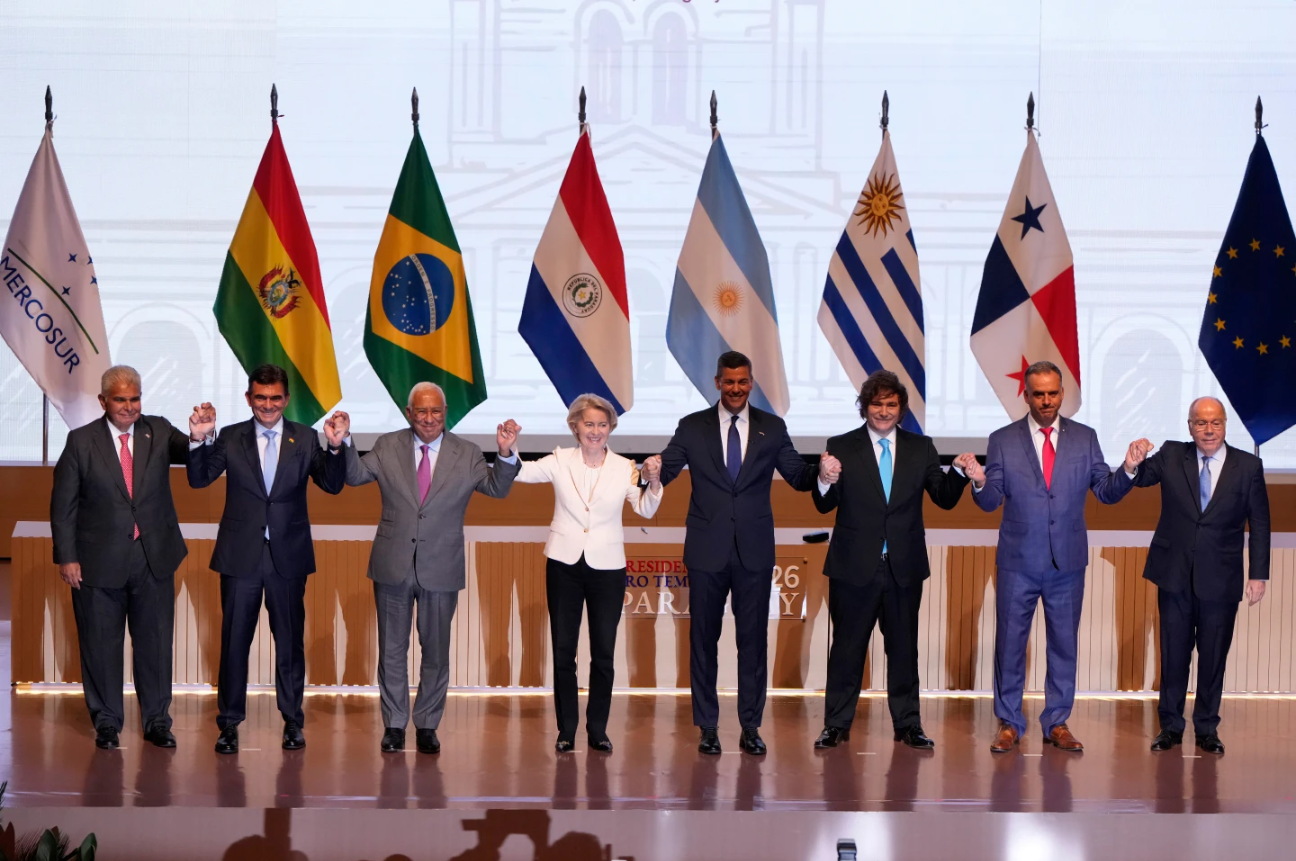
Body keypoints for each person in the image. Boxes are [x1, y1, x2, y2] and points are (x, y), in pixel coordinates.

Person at [648, 351, 830, 756]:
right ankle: (707, 726)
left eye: (742, 382)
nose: (735, 389)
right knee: (702, 642)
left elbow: (799, 476)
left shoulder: (772, 427)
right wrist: (653, 471)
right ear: (717, 383)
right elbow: (669, 469)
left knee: (752, 643)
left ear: (751, 383)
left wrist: (822, 472)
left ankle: (751, 726)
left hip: (754, 552)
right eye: (728, 382)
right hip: (706, 551)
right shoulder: (692, 427)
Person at [964, 360, 1148, 753]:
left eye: (1053, 393)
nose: (1046, 401)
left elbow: (1105, 490)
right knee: (1010, 645)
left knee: (1064, 644)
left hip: (1067, 562)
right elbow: (990, 500)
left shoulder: (1085, 437)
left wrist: (1129, 468)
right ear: (1026, 395)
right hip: (1018, 561)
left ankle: (1058, 722)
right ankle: (1010, 722)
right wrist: (979, 481)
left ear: (1062, 394)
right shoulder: (1002, 439)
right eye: (1038, 394)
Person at [340, 382, 521, 755]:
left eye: (435, 411)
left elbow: (497, 489)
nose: (428, 418)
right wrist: (343, 442)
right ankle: (393, 725)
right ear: (409, 413)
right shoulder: (388, 445)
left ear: (445, 412)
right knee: (392, 650)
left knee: (435, 651)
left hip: (442, 566)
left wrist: (504, 454)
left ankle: (426, 724)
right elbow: (355, 476)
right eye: (420, 411)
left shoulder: (467, 453)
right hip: (393, 566)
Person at [811, 370, 976, 751]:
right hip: (853, 567)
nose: (883, 411)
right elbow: (823, 503)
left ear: (901, 409)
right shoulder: (841, 445)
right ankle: (836, 725)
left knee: (904, 649)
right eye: (876, 403)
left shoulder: (922, 447)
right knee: (847, 649)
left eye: (891, 404)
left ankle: (908, 725)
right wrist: (823, 477)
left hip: (903, 567)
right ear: (864, 407)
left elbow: (944, 497)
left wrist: (961, 473)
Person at [187, 364, 348, 754]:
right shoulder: (229, 437)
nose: (268, 405)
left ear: (286, 399)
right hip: (241, 557)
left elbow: (331, 484)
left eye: (275, 397)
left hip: (288, 559)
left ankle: (293, 722)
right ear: (249, 398)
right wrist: (197, 439)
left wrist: (336, 446)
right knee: (234, 644)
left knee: (290, 644)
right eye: (260, 397)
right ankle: (229, 724)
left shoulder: (307, 438)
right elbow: (199, 479)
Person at [511, 393, 664, 754]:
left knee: (604, 653)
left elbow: (644, 509)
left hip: (607, 567)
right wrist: (509, 448)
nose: (595, 431)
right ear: (575, 426)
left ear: (610, 428)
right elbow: (522, 472)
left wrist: (654, 482)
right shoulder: (560, 460)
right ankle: (566, 730)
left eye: (602, 424)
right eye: (588, 424)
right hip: (563, 564)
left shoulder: (626, 467)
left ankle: (598, 728)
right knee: (564, 651)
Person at [50, 365, 192, 750]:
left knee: (156, 643)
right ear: (103, 402)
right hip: (97, 563)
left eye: (135, 399)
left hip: (153, 558)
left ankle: (157, 721)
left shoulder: (158, 430)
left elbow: (190, 452)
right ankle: (107, 722)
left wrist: (199, 435)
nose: (129, 407)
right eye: (120, 400)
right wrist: (67, 557)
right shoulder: (80, 442)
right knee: (100, 644)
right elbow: (63, 506)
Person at [1132, 397, 1269, 755]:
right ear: (1189, 426)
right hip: (1174, 574)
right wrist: (1133, 462)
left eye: (1215, 423)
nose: (1208, 430)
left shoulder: (1249, 466)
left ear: (1225, 425)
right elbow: (1142, 477)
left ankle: (1207, 728)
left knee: (1212, 659)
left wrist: (1259, 574)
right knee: (1174, 656)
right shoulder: (1172, 454)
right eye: (1200, 423)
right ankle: (1171, 728)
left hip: (1221, 579)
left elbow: (1261, 524)